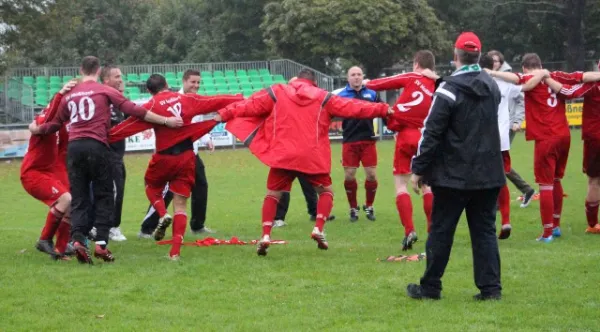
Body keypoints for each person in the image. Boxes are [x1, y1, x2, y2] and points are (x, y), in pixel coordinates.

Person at [214, 68, 392, 256]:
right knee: (326, 192)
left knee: (273, 195)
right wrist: (382, 109)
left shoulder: (277, 91)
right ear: (314, 82)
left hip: (283, 155)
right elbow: (354, 107)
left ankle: (266, 235)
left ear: (296, 80)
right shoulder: (324, 97)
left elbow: (249, 105)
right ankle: (318, 228)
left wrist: (224, 113)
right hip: (311, 156)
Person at [29, 56, 183, 264]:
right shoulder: (104, 90)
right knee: (104, 196)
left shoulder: (70, 94)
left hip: (74, 149)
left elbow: (55, 124)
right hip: (97, 146)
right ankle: (101, 245)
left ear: (81, 70)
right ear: (98, 70)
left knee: (80, 198)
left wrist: (36, 129)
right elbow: (134, 110)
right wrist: (166, 120)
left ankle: (77, 242)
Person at [406, 32, 506, 301]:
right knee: (484, 232)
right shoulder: (492, 86)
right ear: (480, 55)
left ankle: (430, 287)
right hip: (488, 172)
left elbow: (432, 132)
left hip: (453, 174)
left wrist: (418, 169)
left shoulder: (448, 89)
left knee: (441, 230)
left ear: (456, 55)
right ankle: (490, 289)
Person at [112, 74, 242, 259]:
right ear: (167, 85)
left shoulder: (150, 107)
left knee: (151, 187)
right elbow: (215, 101)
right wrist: (238, 98)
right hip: (187, 156)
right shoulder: (187, 99)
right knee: (181, 205)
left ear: (149, 91)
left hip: (164, 157)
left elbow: (126, 128)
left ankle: (163, 214)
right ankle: (175, 253)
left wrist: (102, 137)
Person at [487, 54, 600, 241]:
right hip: (564, 135)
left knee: (545, 184)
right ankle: (555, 225)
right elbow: (584, 76)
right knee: (556, 180)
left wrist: (492, 72)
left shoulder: (531, 78)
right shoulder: (558, 75)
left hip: (546, 138)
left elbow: (514, 78)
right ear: (541, 65)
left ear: (525, 68)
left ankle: (547, 233)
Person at [364, 50, 436, 250]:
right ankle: (432, 231)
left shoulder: (413, 76)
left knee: (401, 185)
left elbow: (386, 82)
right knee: (427, 185)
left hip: (405, 135)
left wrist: (367, 83)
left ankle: (409, 230)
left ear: (416, 64)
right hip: (426, 138)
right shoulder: (439, 84)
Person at [139, 69, 217, 238]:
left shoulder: (195, 100)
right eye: (192, 82)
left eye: (198, 82)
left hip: (191, 153)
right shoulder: (175, 100)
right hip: (173, 154)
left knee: (201, 186)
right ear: (184, 81)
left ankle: (197, 225)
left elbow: (198, 126)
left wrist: (208, 139)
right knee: (166, 191)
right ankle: (147, 228)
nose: (196, 85)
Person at [21, 80, 77, 260]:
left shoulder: (62, 126)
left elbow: (62, 154)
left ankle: (60, 251)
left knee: (70, 204)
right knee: (65, 199)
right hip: (33, 174)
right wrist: (60, 94)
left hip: (49, 172)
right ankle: (44, 239)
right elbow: (46, 118)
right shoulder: (42, 120)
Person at [479, 54, 523, 239]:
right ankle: (505, 220)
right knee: (500, 180)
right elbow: (523, 87)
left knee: (481, 182)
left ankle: (487, 223)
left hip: (481, 140)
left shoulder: (475, 83)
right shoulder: (505, 82)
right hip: (501, 141)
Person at [488, 50, 536, 207]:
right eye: (491, 60)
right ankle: (526, 190)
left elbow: (520, 99)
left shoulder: (508, 78)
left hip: (506, 126)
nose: (494, 63)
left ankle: (496, 203)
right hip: (491, 127)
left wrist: (517, 121)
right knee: (497, 162)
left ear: (500, 63)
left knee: (497, 162)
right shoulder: (487, 77)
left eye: (496, 60)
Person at [332, 67, 380, 222]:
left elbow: (383, 110)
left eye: (359, 74)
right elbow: (330, 113)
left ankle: (369, 205)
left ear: (363, 77)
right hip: (350, 140)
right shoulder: (341, 95)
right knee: (349, 175)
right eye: (353, 75)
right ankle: (353, 208)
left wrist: (395, 127)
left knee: (371, 175)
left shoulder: (372, 94)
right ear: (348, 78)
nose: (356, 77)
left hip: (368, 139)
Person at [102, 65, 128, 241]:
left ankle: (104, 226)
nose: (120, 79)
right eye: (116, 76)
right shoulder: (106, 101)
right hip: (108, 154)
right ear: (106, 80)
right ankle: (111, 227)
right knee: (114, 190)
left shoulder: (118, 100)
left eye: (121, 76)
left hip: (117, 155)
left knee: (114, 188)